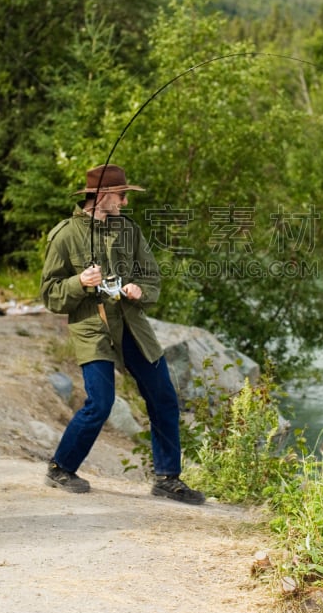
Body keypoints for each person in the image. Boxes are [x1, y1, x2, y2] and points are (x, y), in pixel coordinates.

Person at [40, 163, 205, 505]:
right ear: (101, 196)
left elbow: (152, 277)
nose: (125, 203)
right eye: (121, 195)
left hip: (132, 326)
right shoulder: (65, 235)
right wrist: (80, 283)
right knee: (100, 402)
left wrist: (139, 289)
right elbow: (51, 294)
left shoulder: (129, 231)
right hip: (93, 328)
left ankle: (167, 478)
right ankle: (61, 468)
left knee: (163, 397)